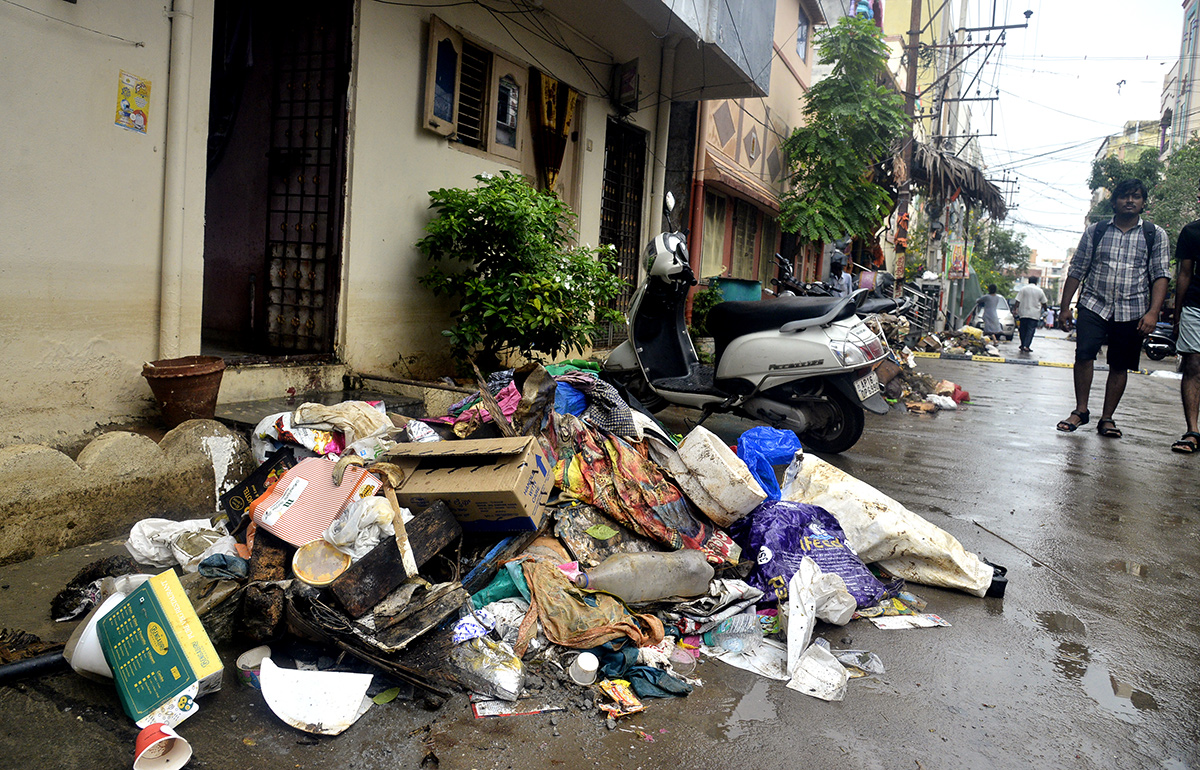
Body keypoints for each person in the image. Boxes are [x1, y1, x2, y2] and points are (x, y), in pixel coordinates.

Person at [1056, 179, 1170, 437]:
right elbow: (1077, 270)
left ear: (1143, 202)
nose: (1130, 201)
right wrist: (1065, 308)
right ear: (1115, 201)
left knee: (1120, 364)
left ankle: (1107, 418)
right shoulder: (1096, 231)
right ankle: (1081, 410)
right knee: (1084, 355)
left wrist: (1153, 312)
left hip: (1133, 308)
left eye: (1136, 196)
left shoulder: (1155, 234)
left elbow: (1161, 275)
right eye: (1125, 196)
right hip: (1094, 304)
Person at [1170, 186, 1200, 453]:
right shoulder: (1191, 232)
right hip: (1196, 307)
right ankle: (1192, 432)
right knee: (1193, 366)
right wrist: (1178, 316)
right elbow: (1184, 274)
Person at [1014, 277, 1048, 352]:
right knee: (1030, 330)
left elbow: (1017, 301)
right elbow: (1044, 302)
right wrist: (1045, 310)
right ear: (1036, 282)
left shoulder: (1023, 289)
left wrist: (1014, 310)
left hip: (1023, 313)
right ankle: (1026, 346)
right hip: (1034, 314)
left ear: (1029, 281)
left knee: (1022, 329)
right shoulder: (1040, 291)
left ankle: (1023, 344)